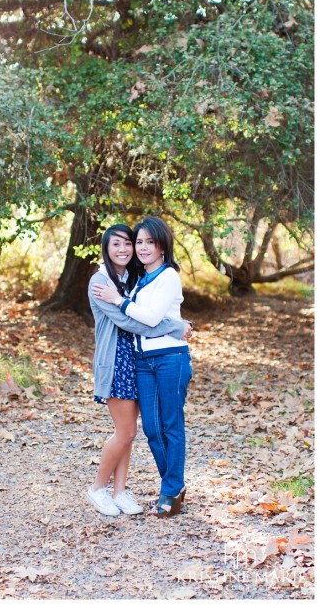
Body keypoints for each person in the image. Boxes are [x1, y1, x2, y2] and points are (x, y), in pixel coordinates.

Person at [91, 217, 192, 518]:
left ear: (162, 246)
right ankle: (103, 489)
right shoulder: (109, 281)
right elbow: (131, 320)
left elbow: (147, 317)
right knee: (142, 429)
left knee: (160, 426)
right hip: (133, 362)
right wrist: (176, 325)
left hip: (165, 358)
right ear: (106, 249)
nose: (136, 248)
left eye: (148, 242)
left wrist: (174, 327)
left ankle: (167, 488)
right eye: (139, 242)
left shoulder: (160, 276)